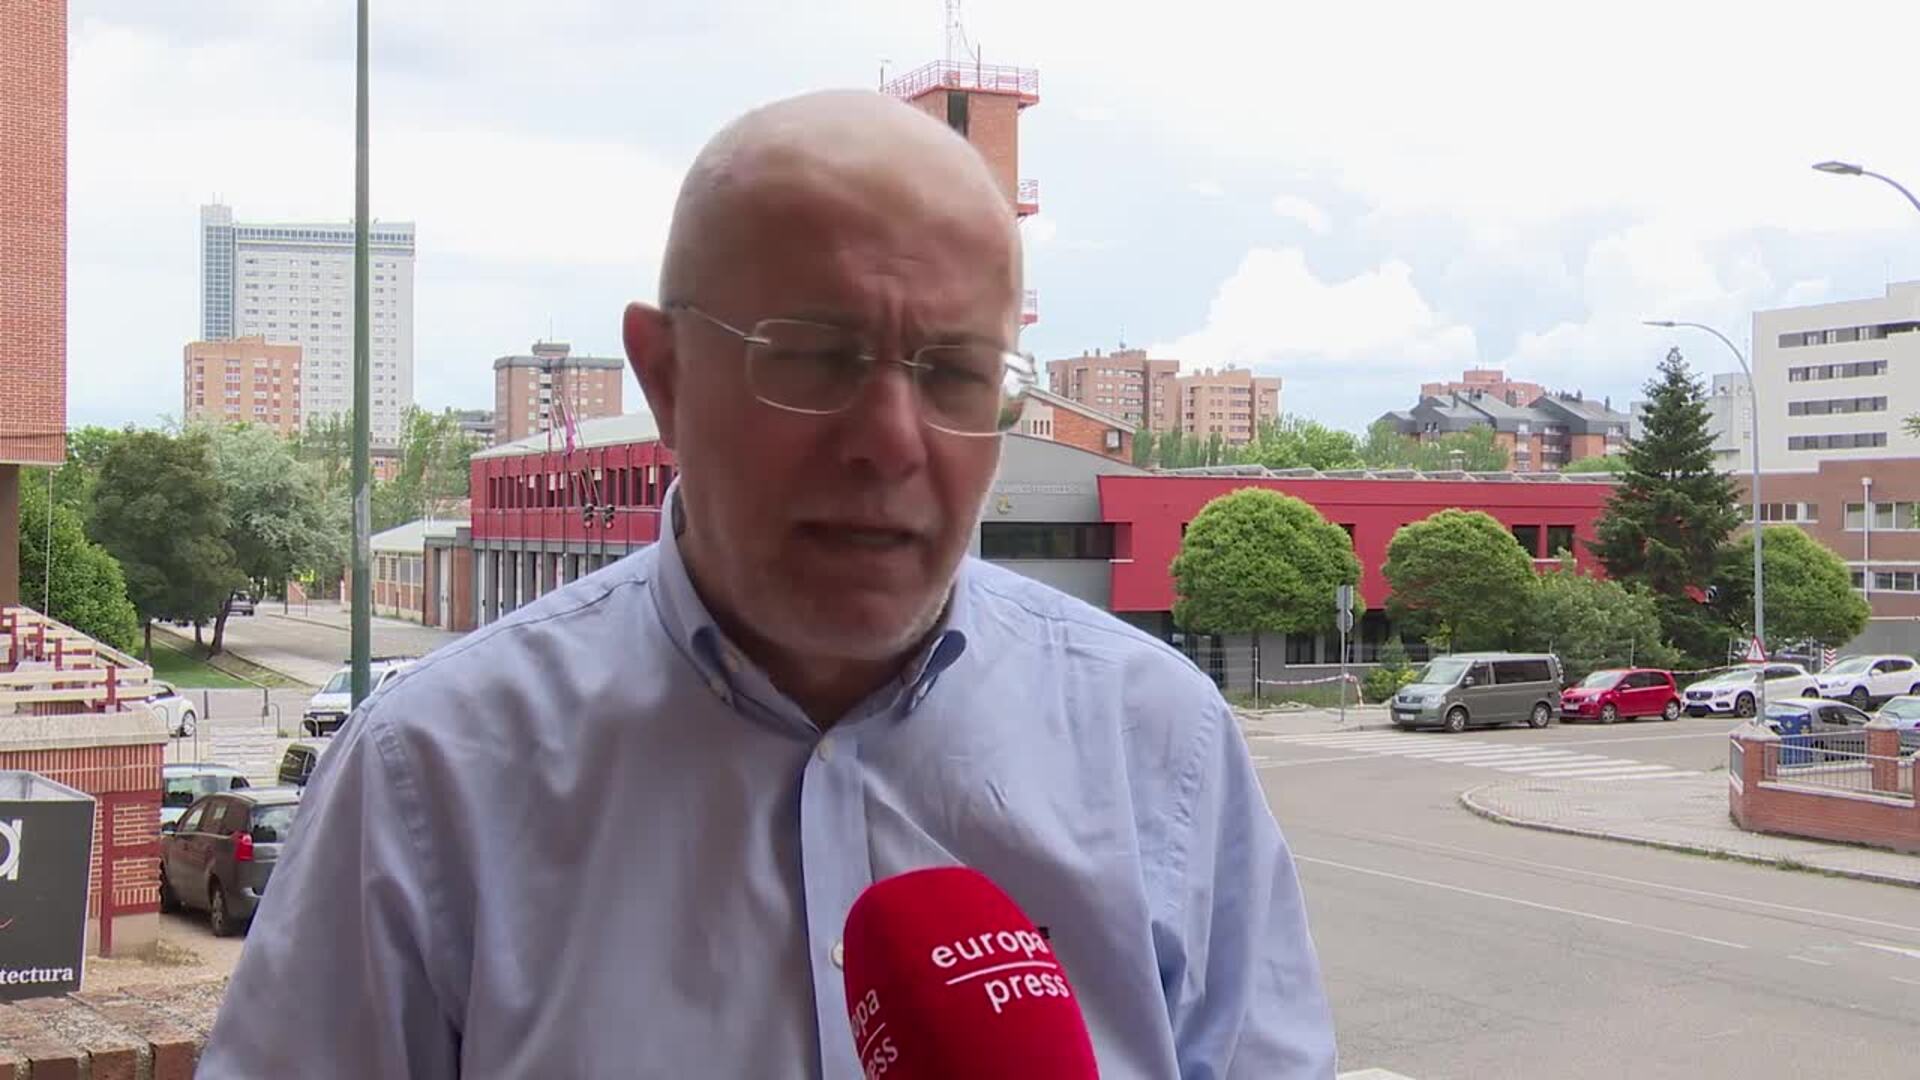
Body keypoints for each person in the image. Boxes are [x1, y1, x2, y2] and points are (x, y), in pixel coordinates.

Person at [200, 90, 1336, 1078]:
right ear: (664, 376)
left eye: (954, 371)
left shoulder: (1162, 748)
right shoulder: (433, 777)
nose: (889, 442)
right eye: (814, 357)